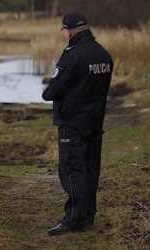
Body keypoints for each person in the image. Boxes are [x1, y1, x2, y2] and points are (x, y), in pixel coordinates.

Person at [42, 11, 113, 236]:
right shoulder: (103, 55)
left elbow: (52, 91)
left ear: (70, 31)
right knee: (90, 169)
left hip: (72, 122)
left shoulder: (72, 55)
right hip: (95, 120)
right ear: (87, 27)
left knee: (73, 170)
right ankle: (88, 215)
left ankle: (74, 219)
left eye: (66, 31)